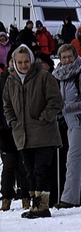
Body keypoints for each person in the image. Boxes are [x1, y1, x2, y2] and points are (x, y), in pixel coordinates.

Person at [2, 44, 64, 218]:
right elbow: (7, 105)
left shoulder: (44, 77)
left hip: (44, 134)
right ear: (14, 62)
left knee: (41, 169)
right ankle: (34, 204)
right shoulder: (11, 81)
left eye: (26, 61)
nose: (23, 65)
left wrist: (44, 117)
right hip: (22, 135)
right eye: (19, 62)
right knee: (29, 171)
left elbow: (56, 101)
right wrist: (13, 122)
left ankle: (42, 206)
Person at [51, 44, 81, 209]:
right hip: (73, 123)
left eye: (69, 56)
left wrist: (64, 109)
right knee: (79, 159)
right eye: (63, 57)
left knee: (73, 159)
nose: (66, 60)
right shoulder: (62, 77)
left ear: (75, 56)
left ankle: (69, 199)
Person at [0, 54, 30, 211]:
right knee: (8, 166)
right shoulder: (3, 80)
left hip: (23, 129)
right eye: (13, 61)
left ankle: (26, 197)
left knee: (23, 164)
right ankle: (6, 197)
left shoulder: (25, 79)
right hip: (6, 130)